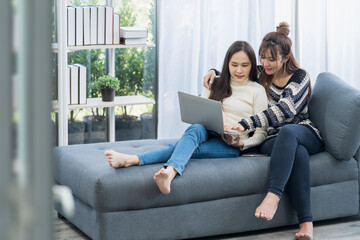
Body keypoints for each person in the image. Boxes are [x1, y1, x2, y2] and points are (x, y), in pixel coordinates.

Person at [203, 22, 322, 240]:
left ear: (285, 58)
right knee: (297, 153)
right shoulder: (263, 73)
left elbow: (286, 109)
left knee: (289, 132)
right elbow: (238, 69)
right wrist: (214, 71)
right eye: (262, 58)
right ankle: (307, 223)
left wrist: (246, 123)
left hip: (304, 132)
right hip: (274, 138)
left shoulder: (300, 76)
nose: (265, 64)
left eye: (271, 59)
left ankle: (273, 195)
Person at [104, 40, 268, 195]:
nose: (239, 70)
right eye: (234, 65)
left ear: (252, 65)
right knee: (196, 128)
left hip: (231, 143)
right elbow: (203, 111)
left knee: (181, 148)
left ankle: (152, 166)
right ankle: (162, 170)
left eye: (245, 65)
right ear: (227, 64)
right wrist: (219, 116)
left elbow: (261, 133)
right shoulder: (216, 82)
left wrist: (242, 143)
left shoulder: (257, 90)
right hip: (208, 129)